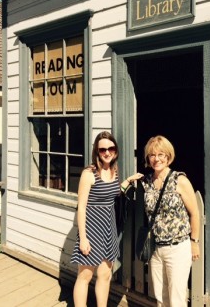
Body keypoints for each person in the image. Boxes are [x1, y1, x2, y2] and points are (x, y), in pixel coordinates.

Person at [71, 131, 143, 307]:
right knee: (85, 275)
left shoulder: (113, 171)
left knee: (105, 274)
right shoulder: (89, 173)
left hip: (108, 228)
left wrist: (128, 180)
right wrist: (83, 238)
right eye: (102, 149)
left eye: (111, 148)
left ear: (115, 151)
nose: (107, 152)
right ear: (97, 151)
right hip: (91, 228)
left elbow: (114, 193)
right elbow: (81, 207)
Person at [140, 135, 200, 307]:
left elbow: (194, 213)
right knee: (160, 296)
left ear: (168, 156)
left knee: (177, 298)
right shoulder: (147, 181)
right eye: (152, 155)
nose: (156, 159)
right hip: (156, 249)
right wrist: (128, 180)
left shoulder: (179, 180)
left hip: (177, 248)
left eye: (161, 154)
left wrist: (194, 242)